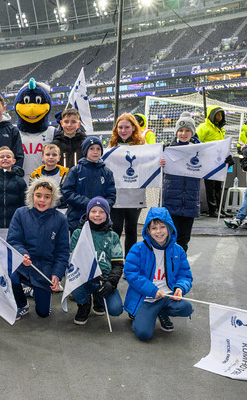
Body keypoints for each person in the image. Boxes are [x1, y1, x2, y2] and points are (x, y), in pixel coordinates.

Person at [124, 207, 194, 341]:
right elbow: (131, 274)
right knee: (144, 334)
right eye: (154, 228)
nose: (159, 232)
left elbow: (185, 275)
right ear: (147, 231)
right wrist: (152, 290)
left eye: (162, 227)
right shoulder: (137, 249)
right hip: (146, 298)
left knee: (186, 307)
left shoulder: (178, 250)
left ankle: (161, 312)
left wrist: (180, 287)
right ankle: (140, 312)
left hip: (167, 297)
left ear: (169, 227)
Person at [7, 177, 69, 319]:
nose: (42, 200)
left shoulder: (61, 219)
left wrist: (57, 275)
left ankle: (33, 289)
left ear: (53, 198)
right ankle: (22, 304)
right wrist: (22, 254)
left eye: (47, 197)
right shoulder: (20, 213)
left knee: (43, 313)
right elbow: (13, 240)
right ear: (31, 195)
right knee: (12, 276)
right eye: (38, 195)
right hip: (24, 262)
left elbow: (62, 251)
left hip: (45, 266)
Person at [71, 197, 124, 325]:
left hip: (104, 279)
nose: (97, 215)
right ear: (88, 213)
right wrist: (86, 274)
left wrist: (111, 283)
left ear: (107, 214)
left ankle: (99, 298)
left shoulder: (113, 236)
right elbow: (72, 261)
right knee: (75, 284)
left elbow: (118, 264)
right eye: (93, 211)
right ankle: (84, 304)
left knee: (116, 309)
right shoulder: (78, 233)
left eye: (101, 212)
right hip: (85, 279)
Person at [161, 112, 201, 253]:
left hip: (189, 202)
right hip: (171, 201)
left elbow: (215, 162)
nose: (184, 133)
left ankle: (179, 268)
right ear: (176, 132)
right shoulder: (165, 149)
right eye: (181, 130)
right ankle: (166, 269)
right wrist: (159, 164)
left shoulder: (200, 151)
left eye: (188, 130)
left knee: (184, 240)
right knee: (168, 238)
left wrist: (225, 160)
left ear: (192, 133)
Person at [108, 113, 147, 256]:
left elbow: (150, 163)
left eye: (127, 127)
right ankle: (115, 262)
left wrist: (159, 163)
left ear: (133, 128)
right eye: (120, 127)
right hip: (117, 195)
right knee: (116, 230)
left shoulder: (142, 146)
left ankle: (130, 264)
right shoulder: (111, 145)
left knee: (131, 230)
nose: (123, 130)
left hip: (135, 195)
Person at [62, 136, 116, 232]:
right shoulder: (75, 170)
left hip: (100, 221)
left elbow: (111, 195)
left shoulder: (107, 173)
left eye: (98, 149)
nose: (95, 152)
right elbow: (67, 192)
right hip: (77, 219)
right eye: (91, 148)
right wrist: (88, 203)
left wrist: (100, 206)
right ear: (85, 150)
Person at [196, 106, 228, 218]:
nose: (220, 117)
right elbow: (197, 141)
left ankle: (219, 209)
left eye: (221, 115)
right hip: (208, 161)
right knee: (210, 186)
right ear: (212, 115)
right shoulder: (203, 127)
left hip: (218, 161)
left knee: (218, 186)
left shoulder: (220, 129)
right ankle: (212, 209)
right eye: (217, 114)